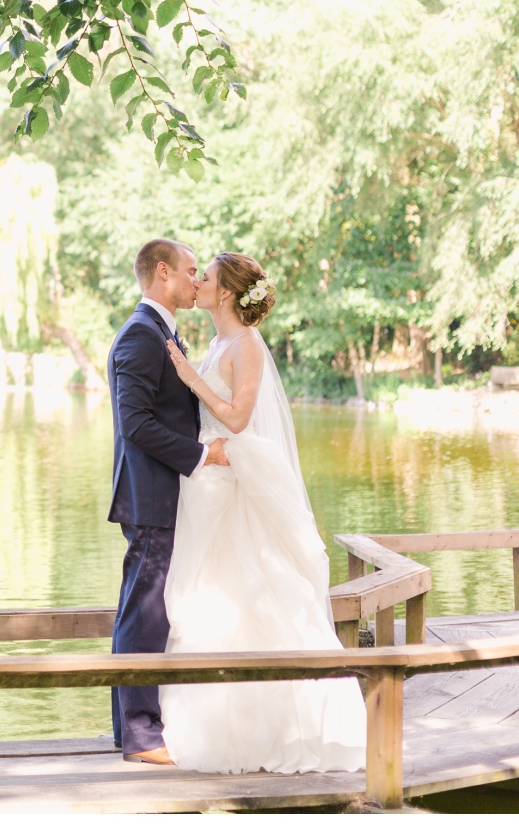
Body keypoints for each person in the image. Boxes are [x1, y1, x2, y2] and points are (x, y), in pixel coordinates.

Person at [159, 252, 365, 773]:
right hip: (211, 482)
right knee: (214, 605)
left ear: (225, 292)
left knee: (260, 597)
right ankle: (221, 731)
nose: (198, 283)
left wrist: (188, 377)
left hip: (237, 483)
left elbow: (240, 417)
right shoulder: (216, 342)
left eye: (204, 277)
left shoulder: (246, 345)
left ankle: (285, 731)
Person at [104, 239, 229, 765]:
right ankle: (141, 737)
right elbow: (135, 424)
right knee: (145, 613)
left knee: (143, 609)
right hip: (151, 494)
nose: (196, 280)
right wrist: (201, 454)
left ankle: (129, 731)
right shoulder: (140, 335)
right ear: (162, 273)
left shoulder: (158, 331)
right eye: (191, 271)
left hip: (161, 493)